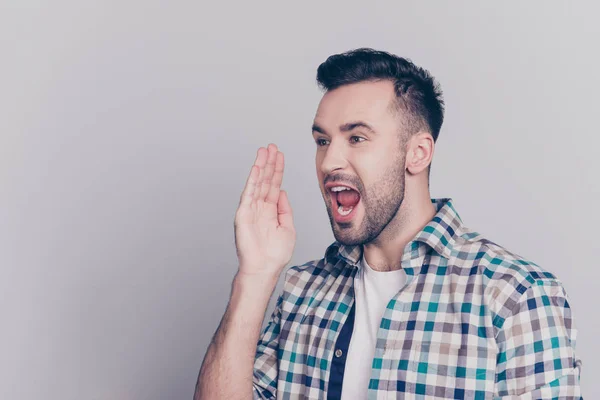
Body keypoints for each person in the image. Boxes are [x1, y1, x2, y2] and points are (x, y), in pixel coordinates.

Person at [194, 48, 582, 399]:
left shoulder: (516, 297)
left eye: (357, 138)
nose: (329, 162)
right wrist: (256, 275)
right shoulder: (301, 292)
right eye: (323, 141)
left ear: (417, 154)